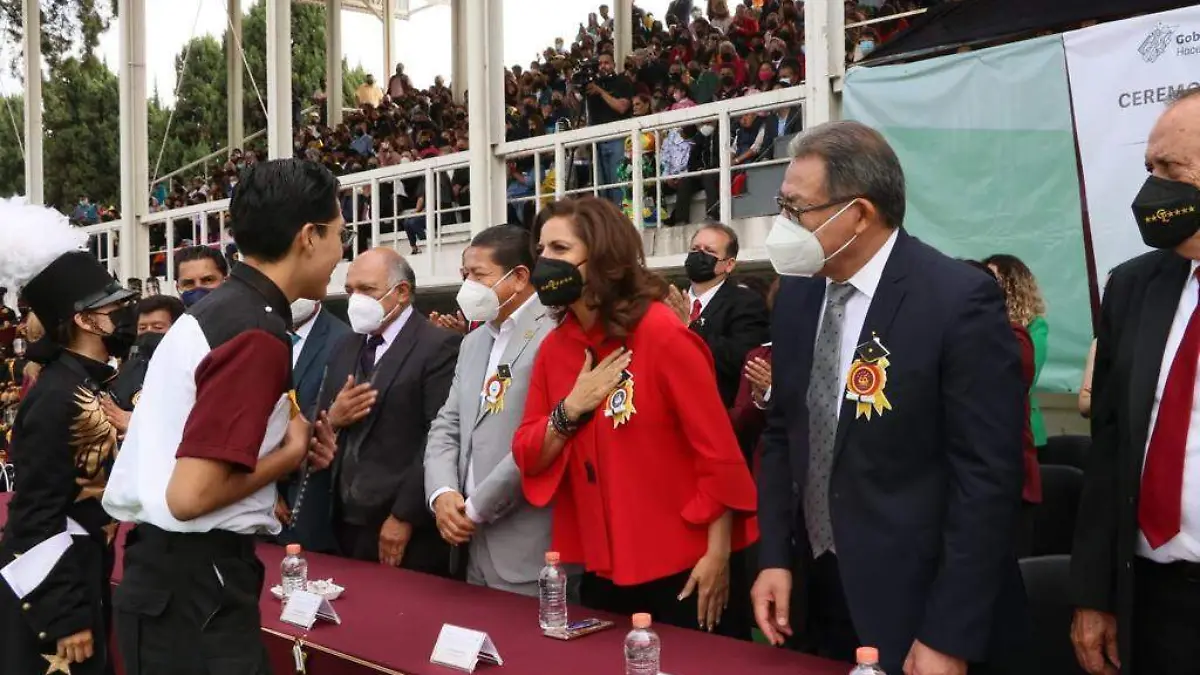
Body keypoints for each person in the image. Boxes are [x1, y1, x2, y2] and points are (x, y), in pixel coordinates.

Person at [751, 121, 1027, 674]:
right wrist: (776, 556)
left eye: (797, 209)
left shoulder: (955, 301)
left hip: (920, 603)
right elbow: (785, 432)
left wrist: (948, 634)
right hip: (816, 594)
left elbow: (986, 479)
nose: (784, 225)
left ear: (858, 213)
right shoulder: (798, 298)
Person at [103, 159, 344, 675]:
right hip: (195, 587)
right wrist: (289, 454)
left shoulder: (217, 313)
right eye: (340, 235)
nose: (340, 254)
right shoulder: (255, 332)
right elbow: (190, 496)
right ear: (309, 235)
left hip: (171, 579)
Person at [512, 197, 758, 637]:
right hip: (601, 567)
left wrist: (718, 553)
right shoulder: (555, 349)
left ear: (603, 255)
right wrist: (570, 409)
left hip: (684, 565)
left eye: (560, 249)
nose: (545, 262)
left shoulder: (661, 334)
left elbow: (716, 454)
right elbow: (529, 453)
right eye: (542, 250)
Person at [1071, 88, 1200, 675]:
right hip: (1151, 600)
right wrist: (1094, 596)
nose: (1153, 188)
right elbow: (1111, 453)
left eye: (1171, 169)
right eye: (1150, 168)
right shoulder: (1132, 288)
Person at [0, 199, 139, 675]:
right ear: (84, 319)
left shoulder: (91, 381)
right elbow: (33, 515)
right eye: (114, 306)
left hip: (87, 568)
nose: (126, 313)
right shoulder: (57, 394)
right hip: (60, 587)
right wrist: (64, 615)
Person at [424, 226, 555, 594]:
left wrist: (477, 507)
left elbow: (546, 434)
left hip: (528, 546)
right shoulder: (473, 342)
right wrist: (443, 493)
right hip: (468, 543)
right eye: (465, 275)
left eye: (479, 275)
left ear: (519, 278)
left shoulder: (554, 333)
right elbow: (447, 424)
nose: (468, 285)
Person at [319, 248, 461, 575]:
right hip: (345, 522)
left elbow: (437, 437)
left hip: (404, 527)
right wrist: (333, 416)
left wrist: (405, 515)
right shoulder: (345, 346)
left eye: (367, 290)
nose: (356, 300)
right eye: (350, 290)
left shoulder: (437, 346)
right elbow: (321, 415)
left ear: (402, 292)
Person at [663, 223, 769, 408]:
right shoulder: (670, 300)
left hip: (715, 411)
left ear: (729, 264)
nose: (699, 255)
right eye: (695, 249)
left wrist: (689, 328)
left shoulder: (746, 303)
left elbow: (738, 359)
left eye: (709, 251)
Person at [277, 296, 352, 554]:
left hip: (314, 498)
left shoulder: (344, 340)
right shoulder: (255, 331)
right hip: (259, 499)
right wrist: (264, 489)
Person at [985, 254, 1049, 453]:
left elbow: (1025, 375)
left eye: (993, 278)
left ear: (1013, 285)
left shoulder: (1036, 327)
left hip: (1022, 429)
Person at [103, 295, 187, 432]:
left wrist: (140, 428)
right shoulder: (129, 370)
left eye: (157, 327)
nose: (149, 332)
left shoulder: (195, 369)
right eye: (142, 328)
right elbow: (111, 412)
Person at [584, 53, 634, 204]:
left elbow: (621, 107)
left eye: (606, 63)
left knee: (617, 183)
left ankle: (620, 218)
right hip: (598, 140)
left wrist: (600, 91)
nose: (603, 66)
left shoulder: (622, 81)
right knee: (600, 187)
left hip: (617, 137)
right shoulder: (592, 85)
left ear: (613, 64)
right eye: (599, 64)